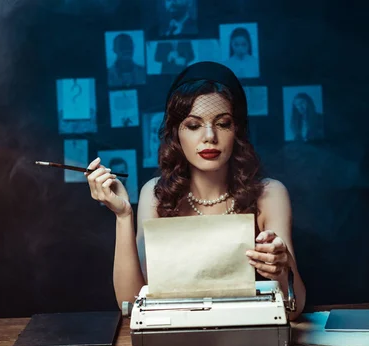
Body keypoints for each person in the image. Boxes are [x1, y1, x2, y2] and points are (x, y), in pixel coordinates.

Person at [86, 61, 306, 320]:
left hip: (249, 335)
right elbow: (131, 306)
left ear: (237, 130)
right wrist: (123, 216)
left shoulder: (269, 194)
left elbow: (294, 311)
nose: (209, 136)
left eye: (223, 123)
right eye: (193, 125)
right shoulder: (155, 194)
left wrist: (281, 269)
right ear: (176, 133)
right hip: (176, 341)